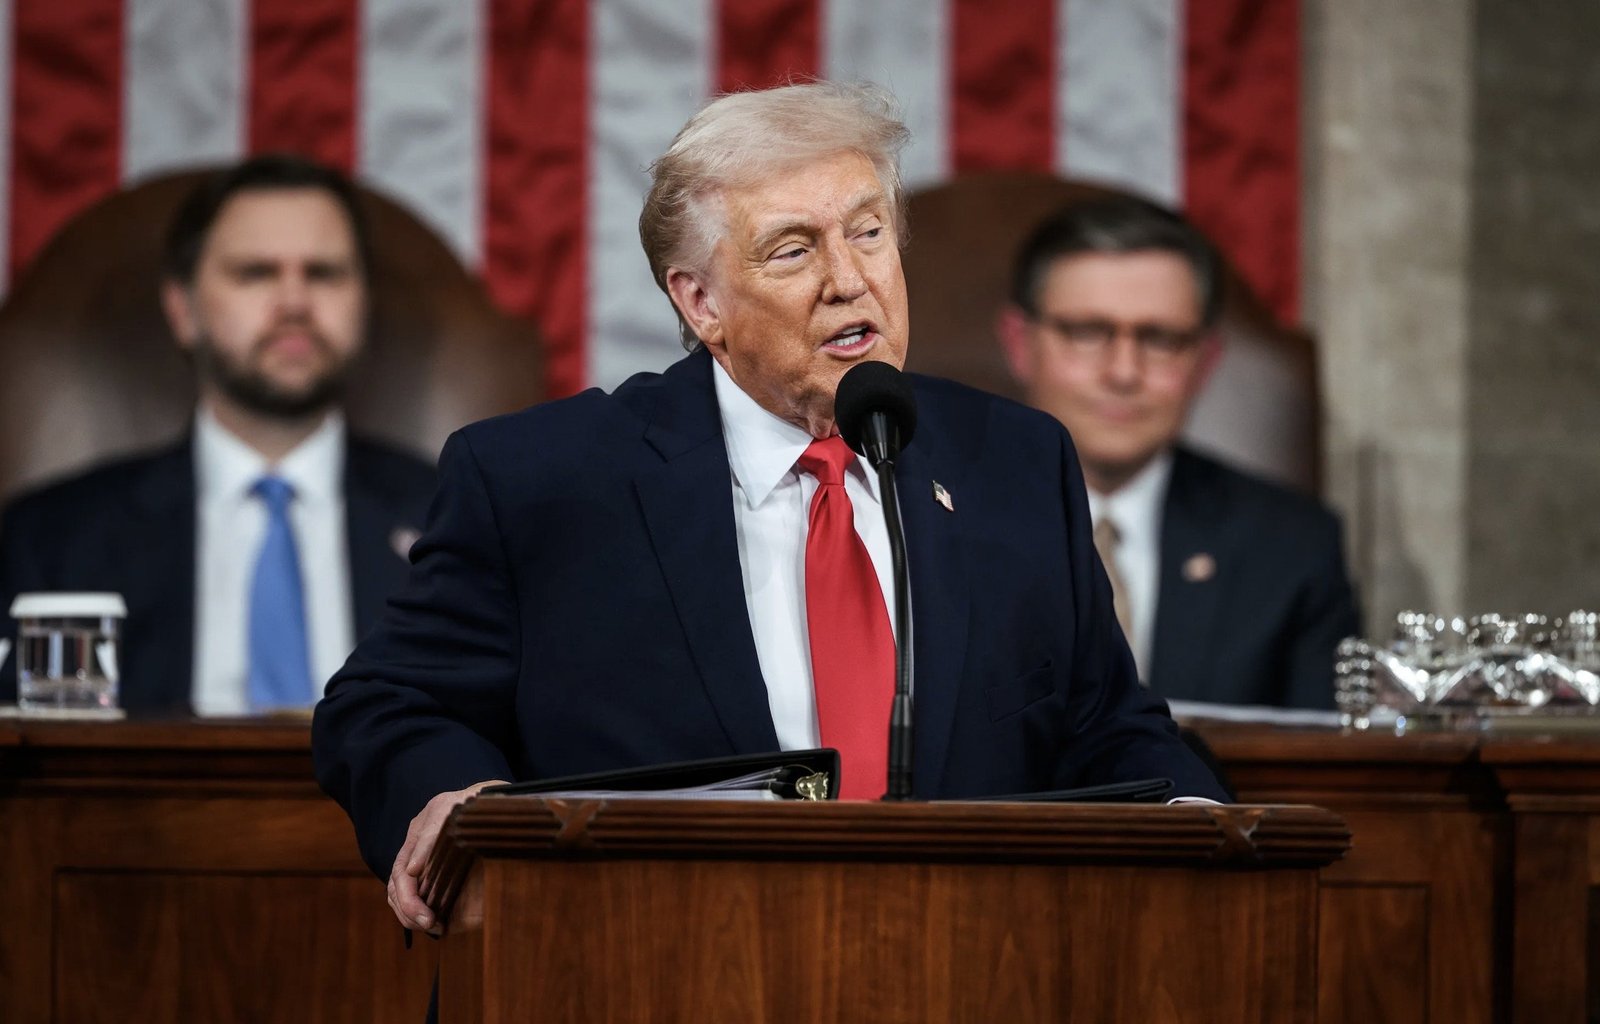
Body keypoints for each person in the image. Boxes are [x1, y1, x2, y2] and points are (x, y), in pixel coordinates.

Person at [311, 82, 1228, 937]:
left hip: (967, 961)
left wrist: (1197, 824)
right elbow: (389, 704)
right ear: (700, 301)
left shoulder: (1014, 463)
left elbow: (1106, 723)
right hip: (649, 960)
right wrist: (450, 797)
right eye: (794, 249)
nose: (848, 279)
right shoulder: (545, 478)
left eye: (868, 233)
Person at [0, 155, 437, 716]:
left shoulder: (455, 525)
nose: (295, 302)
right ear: (183, 310)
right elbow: (40, 774)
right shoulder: (56, 540)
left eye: (324, 273)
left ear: (364, 303)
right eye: (255, 273)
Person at [997, 195, 1360, 709]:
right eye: (1087, 333)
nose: (1124, 372)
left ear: (1205, 361)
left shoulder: (1292, 549)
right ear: (1018, 343)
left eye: (1160, 338)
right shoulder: (928, 520)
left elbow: (1324, 773)